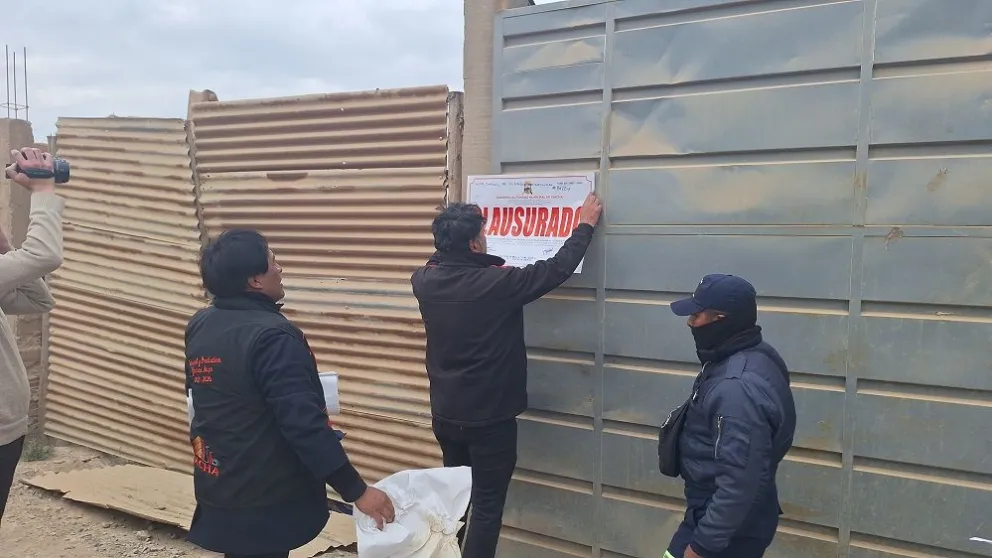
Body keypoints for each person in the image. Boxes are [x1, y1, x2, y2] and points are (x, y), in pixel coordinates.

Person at [411, 193, 603, 558]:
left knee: (458, 500)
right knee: (486, 507)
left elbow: (440, 263)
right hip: (490, 420)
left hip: (447, 415)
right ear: (474, 243)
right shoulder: (497, 285)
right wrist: (585, 225)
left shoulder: (423, 281)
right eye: (482, 234)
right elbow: (556, 269)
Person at [185, 229, 394, 558]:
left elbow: (200, 399)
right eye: (272, 261)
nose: (280, 268)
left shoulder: (201, 323)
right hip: (264, 497)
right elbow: (303, 424)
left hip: (219, 482)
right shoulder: (274, 337)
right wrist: (357, 490)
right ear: (255, 280)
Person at [664, 274, 796, 558]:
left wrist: (702, 547)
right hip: (724, 515)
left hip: (725, 525)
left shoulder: (737, 386)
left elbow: (740, 482)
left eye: (697, 315)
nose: (690, 322)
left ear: (721, 319)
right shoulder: (752, 355)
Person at [0, 148, 65, 526]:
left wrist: (8, 253)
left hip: (7, 431)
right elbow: (45, 255)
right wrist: (42, 189)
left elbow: (37, 299)